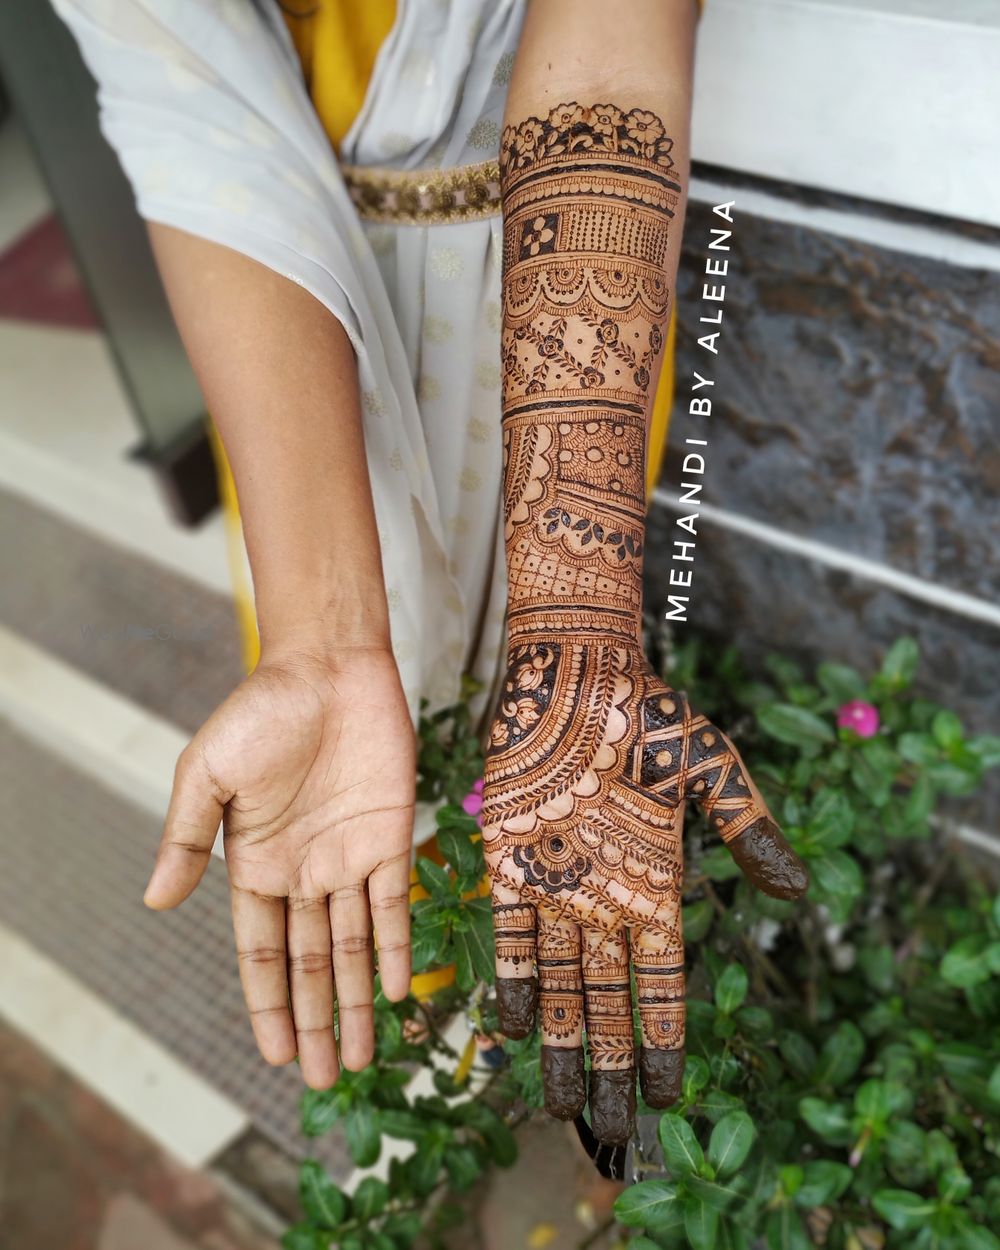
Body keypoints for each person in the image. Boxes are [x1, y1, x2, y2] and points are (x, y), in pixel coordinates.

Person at [56, 0, 806, 1143]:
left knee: (535, 685)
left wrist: (576, 629)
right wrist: (319, 638)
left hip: (557, 298)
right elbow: (186, 94)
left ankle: (499, 960)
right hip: (297, 331)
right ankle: (447, 976)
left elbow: (608, 37)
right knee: (355, 722)